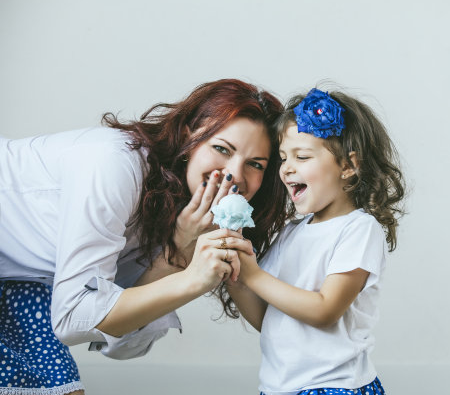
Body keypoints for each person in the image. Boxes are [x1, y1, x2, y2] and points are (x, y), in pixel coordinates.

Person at [0, 79, 287, 394]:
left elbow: (120, 345)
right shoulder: (115, 165)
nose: (234, 174)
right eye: (221, 148)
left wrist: (175, 255)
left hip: (21, 281)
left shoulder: (181, 213)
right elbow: (73, 316)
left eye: (255, 165)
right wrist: (191, 279)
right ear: (189, 136)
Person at [221, 87, 406, 394]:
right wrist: (237, 278)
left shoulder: (358, 229)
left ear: (348, 166)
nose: (287, 168)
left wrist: (254, 275)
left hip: (334, 387)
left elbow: (324, 310)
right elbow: (269, 318)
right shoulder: (293, 231)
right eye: (283, 158)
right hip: (279, 387)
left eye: (302, 156)